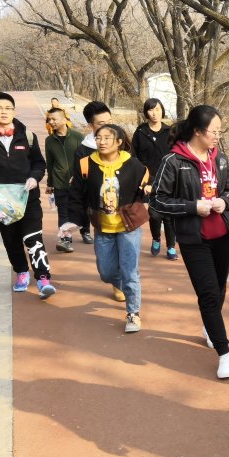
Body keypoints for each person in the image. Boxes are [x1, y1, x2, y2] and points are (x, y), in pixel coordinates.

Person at [150, 105, 229, 379]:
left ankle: (210, 326)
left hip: (222, 235)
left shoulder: (219, 158)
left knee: (219, 289)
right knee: (208, 294)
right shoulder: (173, 161)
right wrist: (192, 206)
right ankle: (224, 353)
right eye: (214, 132)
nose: (217, 137)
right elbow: (157, 200)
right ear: (198, 131)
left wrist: (224, 201)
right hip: (194, 239)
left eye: (219, 132)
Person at [0, 92, 56, 299]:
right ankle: (22, 272)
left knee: (33, 238)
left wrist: (34, 178)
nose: (4, 112)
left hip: (28, 197)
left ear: (14, 111)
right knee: (11, 240)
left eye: (8, 108)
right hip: (1, 201)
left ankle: (43, 279)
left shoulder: (28, 136)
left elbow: (39, 163)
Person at [63, 124, 149, 333]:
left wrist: (147, 194)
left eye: (107, 138)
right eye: (98, 138)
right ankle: (120, 282)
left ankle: (133, 313)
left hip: (128, 227)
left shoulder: (133, 164)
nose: (101, 142)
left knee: (130, 270)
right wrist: (73, 220)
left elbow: (147, 183)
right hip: (102, 227)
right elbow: (77, 194)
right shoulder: (86, 164)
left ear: (119, 142)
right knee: (106, 272)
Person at [132, 98, 177, 260]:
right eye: (150, 110)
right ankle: (156, 239)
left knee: (170, 216)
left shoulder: (169, 131)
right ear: (146, 112)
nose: (154, 113)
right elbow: (134, 157)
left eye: (157, 109)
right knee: (155, 215)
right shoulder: (140, 132)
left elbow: (176, 155)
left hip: (168, 179)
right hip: (148, 180)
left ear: (162, 110)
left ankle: (171, 247)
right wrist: (144, 180)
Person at [44, 107, 84, 253]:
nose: (51, 122)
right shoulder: (49, 140)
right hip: (60, 182)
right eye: (49, 119)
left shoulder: (78, 137)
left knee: (79, 211)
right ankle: (65, 241)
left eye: (54, 119)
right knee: (63, 212)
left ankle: (84, 230)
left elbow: (84, 159)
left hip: (78, 182)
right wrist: (50, 183)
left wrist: (79, 175)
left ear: (64, 119)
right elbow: (50, 163)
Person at [74, 101, 114, 245]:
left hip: (122, 209)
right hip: (97, 207)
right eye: (101, 123)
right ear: (91, 125)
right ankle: (85, 230)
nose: (108, 126)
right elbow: (79, 185)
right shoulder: (83, 150)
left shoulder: (122, 143)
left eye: (110, 121)